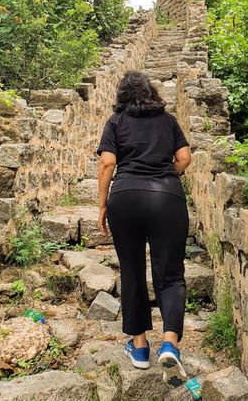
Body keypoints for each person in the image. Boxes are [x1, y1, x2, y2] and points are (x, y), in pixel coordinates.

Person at [96, 70, 192, 386]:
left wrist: (101, 204)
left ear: (122, 95)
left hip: (125, 199)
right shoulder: (168, 121)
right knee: (171, 274)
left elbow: (107, 163)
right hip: (166, 199)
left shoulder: (116, 121)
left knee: (132, 271)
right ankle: (170, 344)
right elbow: (184, 157)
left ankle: (139, 349)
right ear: (151, 92)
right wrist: (166, 174)